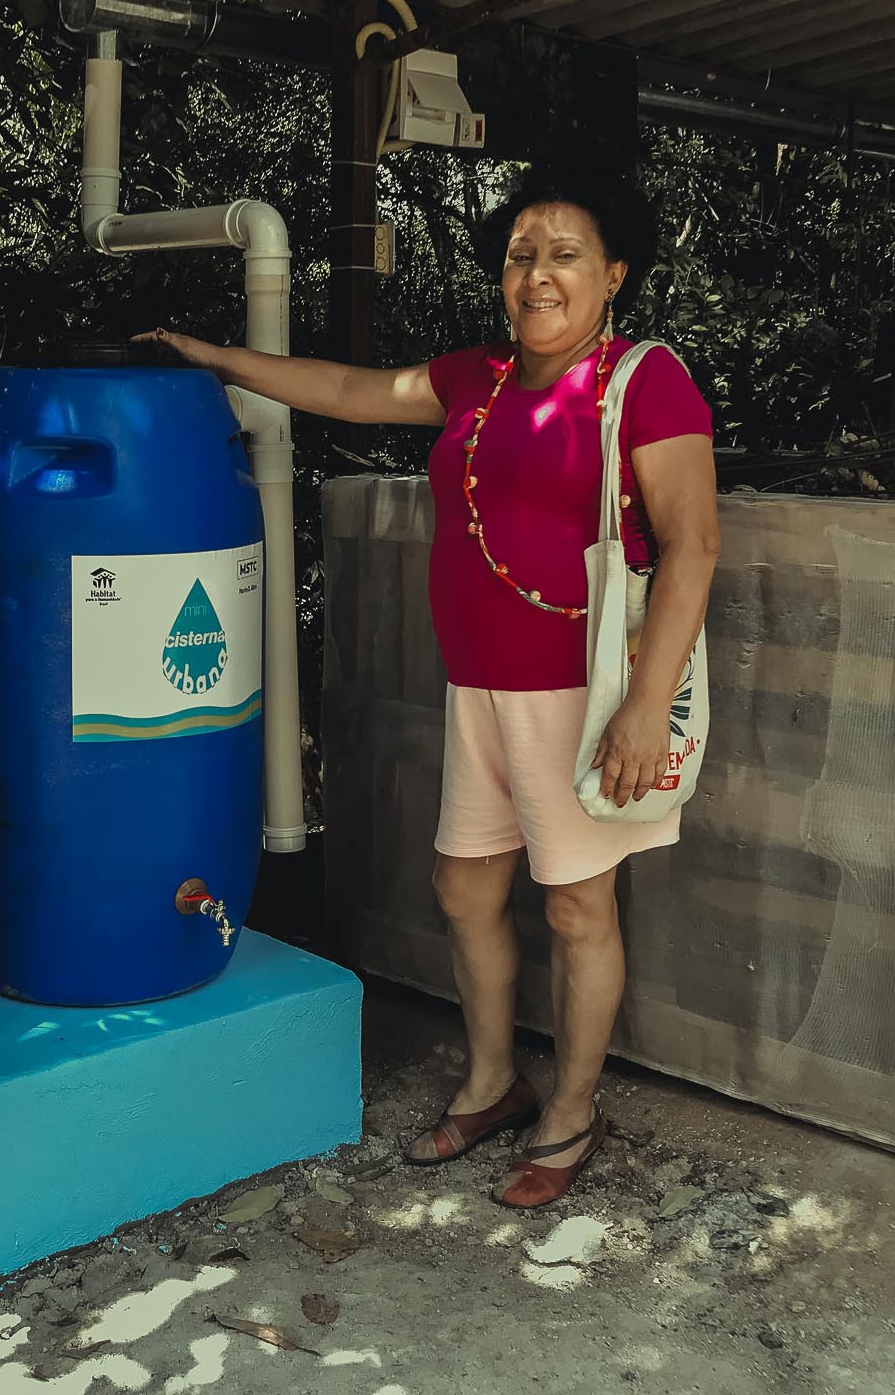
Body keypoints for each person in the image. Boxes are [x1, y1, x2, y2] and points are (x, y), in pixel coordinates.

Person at [136, 165, 719, 1209]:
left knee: (580, 909)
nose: (536, 274)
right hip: (479, 689)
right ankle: (493, 1081)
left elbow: (692, 548)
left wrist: (644, 704)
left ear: (613, 274)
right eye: (519, 255)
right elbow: (354, 391)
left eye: (563, 254)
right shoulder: (477, 378)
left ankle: (571, 1110)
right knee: (464, 889)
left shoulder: (641, 381)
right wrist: (218, 357)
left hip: (577, 697)